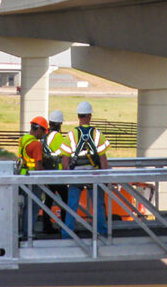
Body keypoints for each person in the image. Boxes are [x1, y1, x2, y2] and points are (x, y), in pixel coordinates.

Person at [60, 101, 110, 236]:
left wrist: (66, 177)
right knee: (98, 204)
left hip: (76, 175)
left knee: (72, 204)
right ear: (89, 115)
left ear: (78, 116)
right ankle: (102, 231)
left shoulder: (71, 135)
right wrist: (105, 178)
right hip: (94, 175)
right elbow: (103, 159)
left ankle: (67, 232)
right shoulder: (97, 134)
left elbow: (65, 160)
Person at [18, 116, 47, 238]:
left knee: (25, 207)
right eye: (44, 131)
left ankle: (24, 231)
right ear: (38, 129)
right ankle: (28, 233)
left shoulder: (24, 139)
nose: (44, 134)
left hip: (23, 176)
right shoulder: (36, 145)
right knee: (33, 207)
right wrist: (45, 177)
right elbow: (38, 165)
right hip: (32, 179)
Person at [39, 109, 68, 234]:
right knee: (66, 201)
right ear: (60, 124)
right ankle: (65, 227)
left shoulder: (44, 137)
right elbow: (65, 153)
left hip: (48, 173)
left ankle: (47, 226)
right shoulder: (57, 137)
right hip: (58, 175)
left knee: (48, 201)